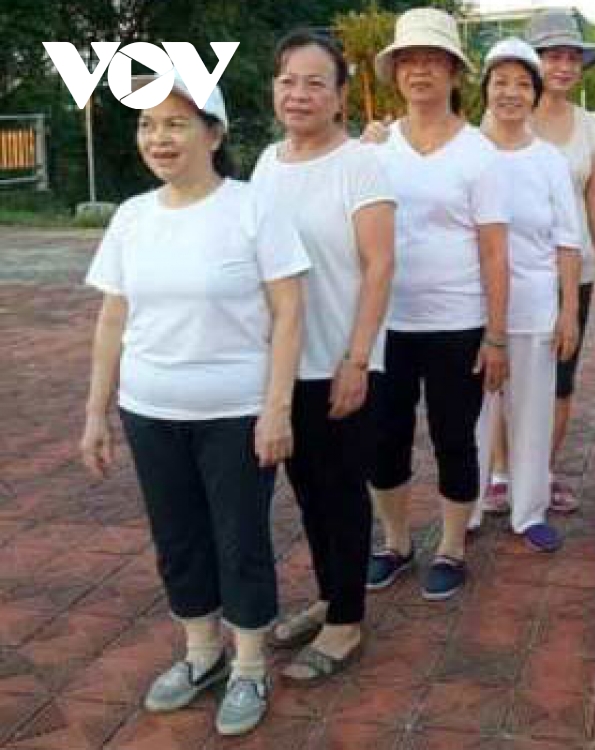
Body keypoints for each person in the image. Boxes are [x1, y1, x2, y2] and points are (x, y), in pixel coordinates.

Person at [79, 73, 308, 735]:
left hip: (235, 413)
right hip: (149, 411)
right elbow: (112, 319)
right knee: (177, 538)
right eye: (148, 125)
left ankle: (249, 665)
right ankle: (202, 654)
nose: (159, 138)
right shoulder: (132, 216)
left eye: (176, 123)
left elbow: (289, 313)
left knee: (240, 540)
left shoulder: (252, 207)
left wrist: (277, 408)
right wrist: (96, 412)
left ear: (213, 134)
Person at [251, 31, 395, 680]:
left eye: (315, 83)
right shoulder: (267, 162)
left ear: (339, 97)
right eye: (288, 81)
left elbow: (380, 264)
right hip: (285, 364)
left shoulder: (360, 164)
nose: (299, 94)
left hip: (342, 358)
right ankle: (330, 596)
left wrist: (357, 358)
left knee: (341, 491)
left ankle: (347, 622)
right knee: (307, 491)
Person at [364, 7, 510, 601]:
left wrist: (495, 336)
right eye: (409, 61)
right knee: (383, 438)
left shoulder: (479, 153)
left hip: (458, 322)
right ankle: (395, 541)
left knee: (454, 437)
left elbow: (495, 253)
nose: (420, 71)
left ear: (453, 72)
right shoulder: (374, 149)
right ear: (395, 72)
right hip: (386, 323)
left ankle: (451, 546)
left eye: (432, 61)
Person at [473, 38, 582, 552]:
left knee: (533, 411)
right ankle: (467, 506)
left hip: (535, 303)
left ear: (536, 94)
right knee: (472, 414)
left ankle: (529, 510)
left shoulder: (549, 160)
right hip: (471, 305)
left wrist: (569, 310)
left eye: (522, 84)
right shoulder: (466, 151)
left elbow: (568, 240)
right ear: (485, 90)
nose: (511, 93)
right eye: (501, 82)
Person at [522, 7, 595, 512]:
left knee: (560, 377)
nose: (563, 66)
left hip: (573, 271)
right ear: (533, 61)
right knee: (511, 374)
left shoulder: (590, 125)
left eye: (572, 58)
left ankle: (542, 473)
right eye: (552, 56)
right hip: (516, 269)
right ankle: (503, 474)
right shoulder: (506, 116)